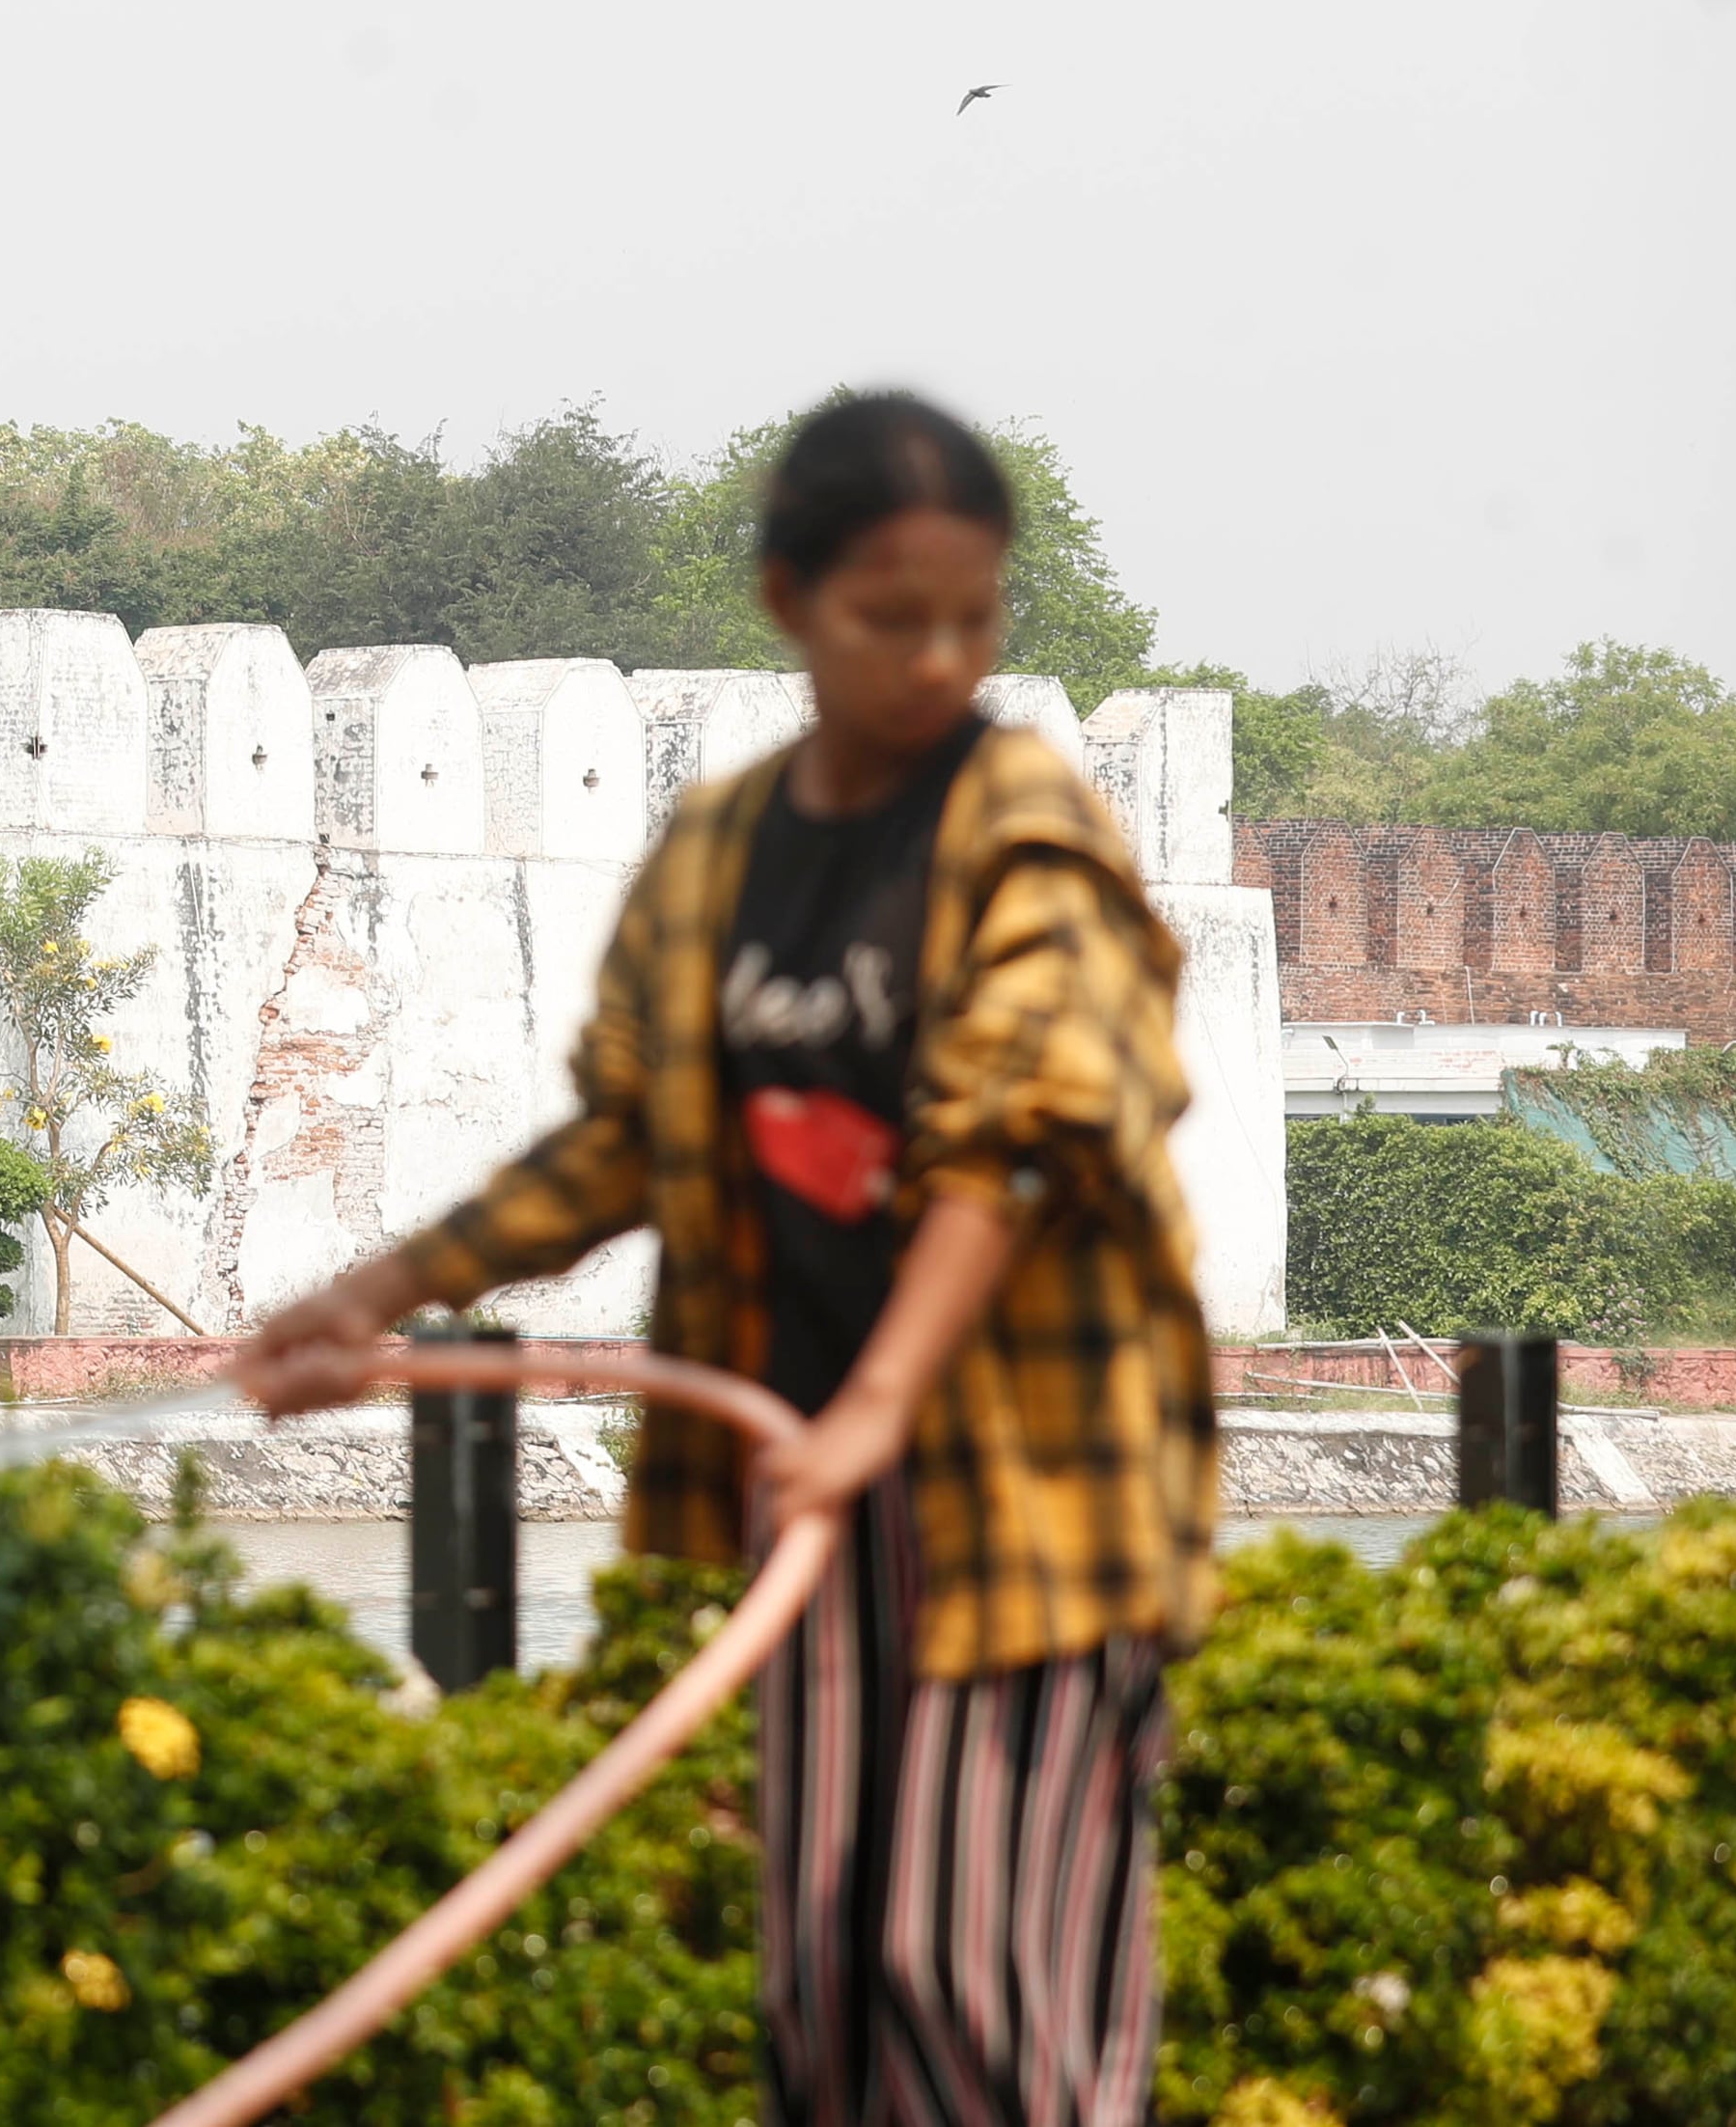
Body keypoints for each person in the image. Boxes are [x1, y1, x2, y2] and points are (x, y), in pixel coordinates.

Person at [234, 390, 1216, 2127]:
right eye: (887, 615)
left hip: (1033, 1490)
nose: (938, 657)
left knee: (969, 1975)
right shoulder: (720, 855)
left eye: (971, 618)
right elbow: (625, 1143)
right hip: (813, 1490)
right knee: (826, 1982)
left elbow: (1024, 1127)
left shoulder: (1023, 828)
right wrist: (374, 1304)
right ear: (785, 600)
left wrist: (884, 1398)